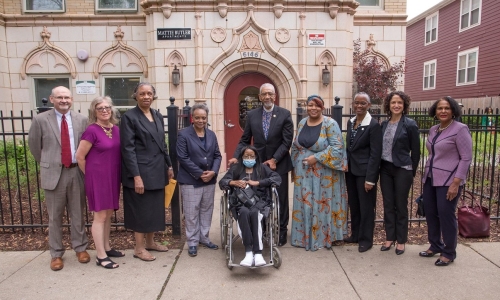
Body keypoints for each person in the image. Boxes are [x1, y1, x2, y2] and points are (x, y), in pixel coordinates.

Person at [28, 86, 90, 271]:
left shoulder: (82, 119)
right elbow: (34, 146)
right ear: (51, 99)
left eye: (67, 97)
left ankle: (80, 248)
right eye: (60, 97)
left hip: (75, 171)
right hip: (54, 173)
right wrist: (49, 163)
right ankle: (56, 253)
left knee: (78, 213)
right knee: (55, 216)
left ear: (72, 99)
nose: (64, 100)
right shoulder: (40, 120)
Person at [228, 83, 293, 246]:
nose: (267, 97)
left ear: (275, 95)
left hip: (279, 164)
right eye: (264, 94)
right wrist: (236, 156)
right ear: (259, 97)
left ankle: (282, 231)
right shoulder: (252, 115)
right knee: (260, 197)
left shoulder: (284, 114)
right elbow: (245, 140)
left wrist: (274, 159)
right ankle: (262, 230)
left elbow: (287, 142)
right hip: (258, 165)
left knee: (281, 199)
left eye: (270, 94)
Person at [120, 82, 174, 262]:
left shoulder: (157, 115)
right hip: (141, 171)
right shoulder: (129, 117)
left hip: (157, 169)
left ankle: (150, 242)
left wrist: (169, 165)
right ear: (135, 95)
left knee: (154, 209)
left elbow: (162, 143)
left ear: (153, 96)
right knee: (141, 210)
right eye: (142, 93)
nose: (146, 97)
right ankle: (139, 248)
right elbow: (128, 149)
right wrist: (136, 176)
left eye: (149, 93)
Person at [290, 95, 348, 251]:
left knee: (322, 205)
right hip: (303, 173)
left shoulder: (330, 123)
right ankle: (303, 237)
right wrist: (295, 164)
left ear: (322, 107)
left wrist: (316, 158)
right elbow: (296, 145)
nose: (313, 108)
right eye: (310, 105)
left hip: (325, 175)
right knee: (306, 203)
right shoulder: (302, 123)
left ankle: (323, 238)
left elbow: (337, 148)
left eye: (317, 105)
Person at [420, 96, 472, 266]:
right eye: (440, 108)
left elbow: (466, 158)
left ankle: (449, 252)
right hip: (430, 178)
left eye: (447, 108)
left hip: (449, 180)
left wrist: (456, 183)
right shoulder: (434, 129)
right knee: (431, 213)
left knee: (446, 215)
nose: (443, 111)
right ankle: (435, 245)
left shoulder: (460, 129)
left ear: (453, 111)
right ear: (435, 111)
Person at [76, 96, 122, 269]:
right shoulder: (91, 130)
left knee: (109, 213)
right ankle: (100, 256)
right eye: (100, 108)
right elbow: (80, 157)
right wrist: (92, 177)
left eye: (107, 107)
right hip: (98, 178)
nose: (104, 110)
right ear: (94, 111)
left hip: (113, 176)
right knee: (100, 215)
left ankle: (107, 247)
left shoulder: (116, 129)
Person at [219, 146, 281, 267]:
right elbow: (222, 182)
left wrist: (258, 182)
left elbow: (277, 178)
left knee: (254, 213)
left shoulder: (262, 168)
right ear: (241, 158)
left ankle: (257, 253)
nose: (249, 158)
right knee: (243, 213)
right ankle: (248, 252)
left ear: (256, 157)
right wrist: (233, 182)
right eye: (246, 156)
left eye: (251, 156)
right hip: (240, 203)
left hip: (260, 202)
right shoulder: (236, 169)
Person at [177, 103, 222, 257]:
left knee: (206, 209)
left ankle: (204, 237)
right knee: (191, 212)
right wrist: (200, 173)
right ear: (192, 118)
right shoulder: (184, 134)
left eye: (203, 117)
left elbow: (217, 155)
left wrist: (214, 172)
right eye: (197, 117)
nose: (201, 120)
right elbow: (182, 157)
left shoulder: (211, 134)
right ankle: (193, 242)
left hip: (209, 179)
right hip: (191, 180)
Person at [379, 91, 420, 255]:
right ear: (388, 105)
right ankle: (390, 237)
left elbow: (416, 152)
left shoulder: (409, 124)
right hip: (386, 169)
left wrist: (411, 171)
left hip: (403, 169)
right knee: (388, 204)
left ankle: (401, 240)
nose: (396, 105)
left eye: (400, 103)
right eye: (393, 102)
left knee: (400, 205)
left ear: (404, 106)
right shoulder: (383, 124)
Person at [344, 92, 382, 253]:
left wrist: (371, 179)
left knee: (366, 207)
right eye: (356, 103)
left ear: (369, 105)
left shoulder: (373, 125)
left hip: (365, 173)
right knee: (354, 204)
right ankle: (356, 234)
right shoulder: (350, 122)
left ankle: (366, 240)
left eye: (363, 103)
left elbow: (375, 154)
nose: (359, 106)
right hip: (351, 171)